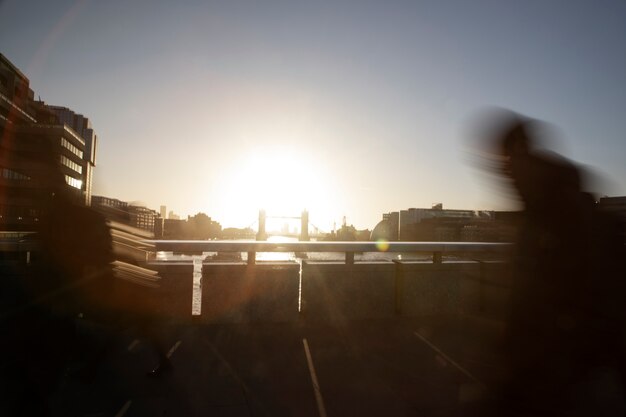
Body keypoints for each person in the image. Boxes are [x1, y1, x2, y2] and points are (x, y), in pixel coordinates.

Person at [481, 111, 625, 416]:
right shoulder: (548, 206)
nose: (501, 172)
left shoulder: (554, 215)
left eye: (503, 161)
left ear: (517, 154)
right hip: (566, 354)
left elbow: (556, 293)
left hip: (561, 354)